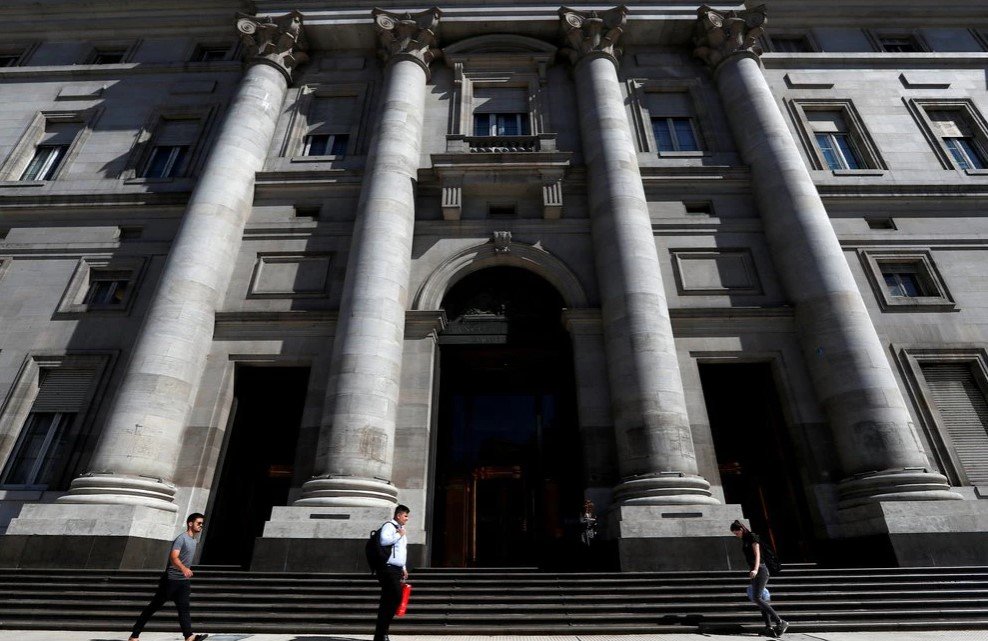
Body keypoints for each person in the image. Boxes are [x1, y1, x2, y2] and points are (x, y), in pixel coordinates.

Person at [128, 513, 208, 641]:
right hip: (171, 580)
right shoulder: (181, 539)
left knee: (184, 609)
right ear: (190, 523)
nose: (201, 526)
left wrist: (185, 572)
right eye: (199, 523)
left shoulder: (193, 541)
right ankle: (134, 635)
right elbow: (173, 557)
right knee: (153, 607)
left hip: (183, 581)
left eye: (202, 524)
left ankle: (189, 636)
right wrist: (183, 568)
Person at [730, 519, 788, 638]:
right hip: (755, 571)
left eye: (736, 532)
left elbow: (758, 555)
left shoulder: (752, 537)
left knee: (757, 598)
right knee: (760, 599)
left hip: (760, 570)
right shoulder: (745, 539)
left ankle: (780, 622)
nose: (736, 535)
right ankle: (768, 627)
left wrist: (756, 569)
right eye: (734, 534)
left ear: (741, 529)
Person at [374, 504, 410, 641]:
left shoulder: (401, 529)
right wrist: (398, 535)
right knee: (395, 597)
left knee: (388, 601)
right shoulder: (389, 526)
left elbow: (401, 550)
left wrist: (403, 567)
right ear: (398, 515)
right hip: (388, 569)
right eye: (405, 516)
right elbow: (384, 541)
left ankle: (381, 634)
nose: (407, 518)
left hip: (396, 569)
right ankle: (382, 633)